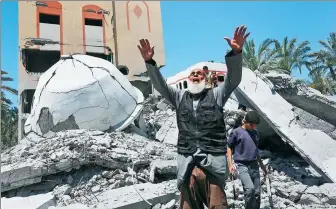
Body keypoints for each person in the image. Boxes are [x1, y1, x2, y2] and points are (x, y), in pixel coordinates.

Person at [137, 25, 250, 209]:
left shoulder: (216, 95)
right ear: (189, 80)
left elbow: (233, 80)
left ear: (205, 80)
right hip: (187, 166)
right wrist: (150, 63)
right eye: (192, 74)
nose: (195, 75)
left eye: (199, 74)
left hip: (212, 166)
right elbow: (160, 85)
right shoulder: (179, 97)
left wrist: (236, 53)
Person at [227, 110, 268, 209]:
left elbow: (255, 150)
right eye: (251, 125)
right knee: (250, 190)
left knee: (257, 192)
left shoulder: (255, 133)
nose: (254, 127)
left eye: (255, 125)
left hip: (254, 164)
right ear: (244, 122)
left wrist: (262, 166)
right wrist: (230, 164)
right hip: (241, 165)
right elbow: (229, 147)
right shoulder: (236, 132)